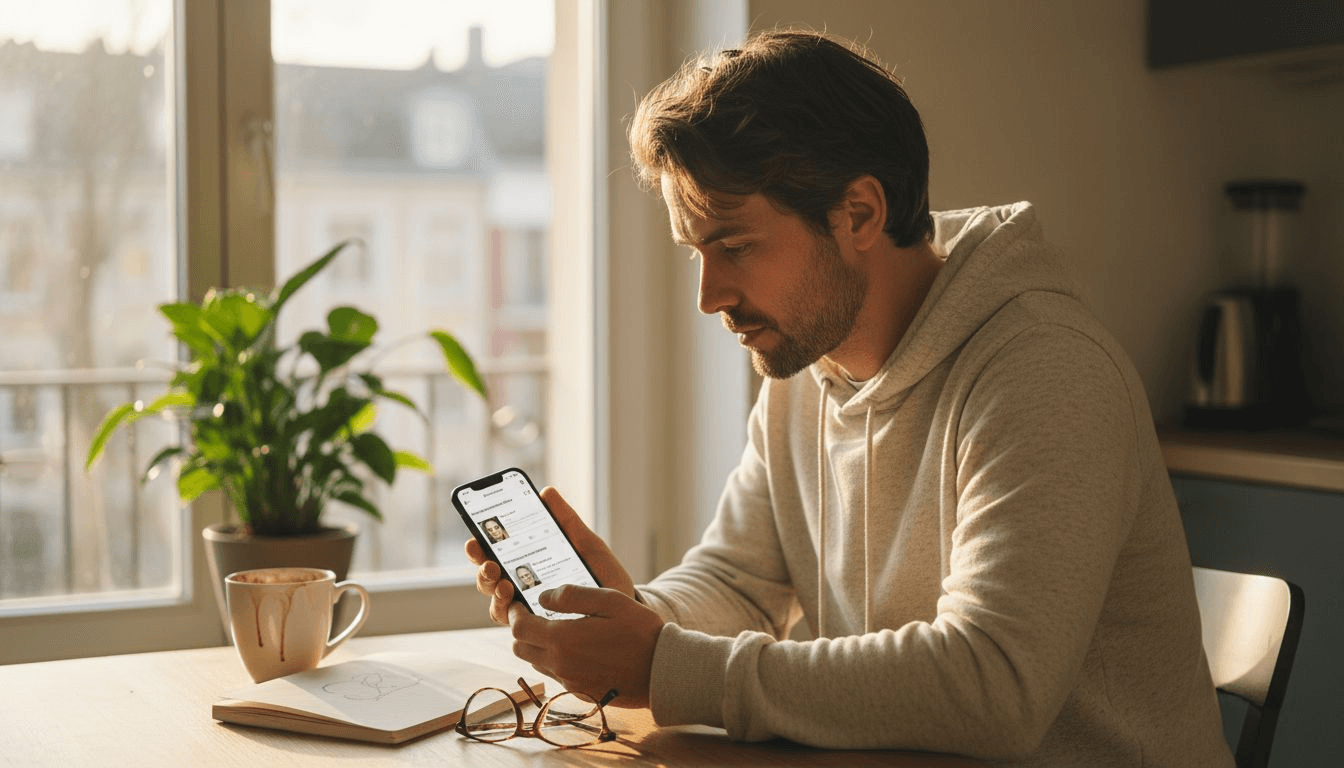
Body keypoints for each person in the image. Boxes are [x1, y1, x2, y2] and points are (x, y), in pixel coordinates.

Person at [468, 30, 1232, 766]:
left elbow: (995, 684)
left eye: (734, 246)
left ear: (859, 213)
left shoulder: (1044, 370)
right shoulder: (805, 369)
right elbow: (738, 583)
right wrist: (634, 619)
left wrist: (663, 665)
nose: (710, 296)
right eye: (696, 252)